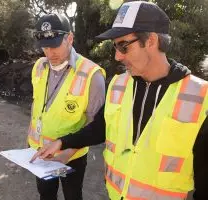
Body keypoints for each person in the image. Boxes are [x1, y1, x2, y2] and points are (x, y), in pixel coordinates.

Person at [31, 1, 208, 200]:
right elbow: (100, 127)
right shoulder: (119, 85)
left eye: (123, 46)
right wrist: (63, 142)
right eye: (115, 47)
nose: (117, 56)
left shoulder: (200, 98)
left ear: (151, 40)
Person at [28, 13, 106, 200]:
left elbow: (95, 124)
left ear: (69, 38)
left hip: (72, 156)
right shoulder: (39, 66)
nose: (49, 52)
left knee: (72, 195)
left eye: (55, 45)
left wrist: (68, 153)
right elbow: (36, 103)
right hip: (39, 152)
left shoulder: (92, 75)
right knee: (46, 195)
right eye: (44, 47)